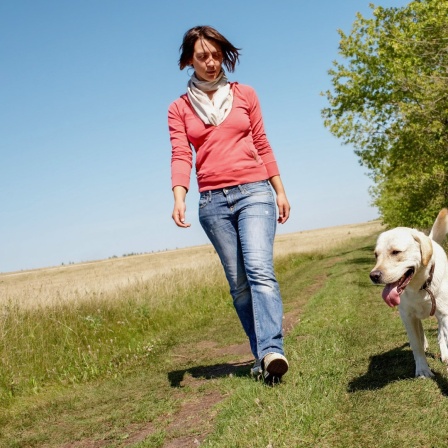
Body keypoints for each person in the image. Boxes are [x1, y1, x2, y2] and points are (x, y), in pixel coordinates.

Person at [168, 25, 291, 384]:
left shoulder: (245, 94)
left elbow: (263, 143)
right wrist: (179, 196)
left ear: (224, 55)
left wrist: (279, 190)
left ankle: (271, 349)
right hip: (211, 202)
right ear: (189, 60)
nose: (210, 62)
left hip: (254, 191)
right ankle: (263, 356)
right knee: (238, 285)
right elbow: (180, 153)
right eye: (202, 56)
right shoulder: (178, 108)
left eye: (216, 55)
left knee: (259, 269)